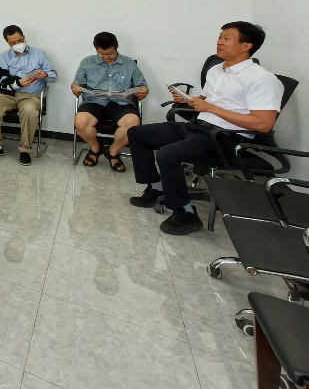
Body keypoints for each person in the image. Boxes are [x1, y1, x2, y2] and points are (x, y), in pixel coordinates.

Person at [127, 21, 283, 235]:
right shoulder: (217, 70)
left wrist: (211, 108)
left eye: (227, 38)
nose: (220, 42)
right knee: (137, 134)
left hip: (226, 137)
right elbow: (207, 100)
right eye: (220, 37)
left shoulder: (261, 79)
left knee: (167, 154)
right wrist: (188, 100)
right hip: (198, 126)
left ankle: (186, 214)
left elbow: (263, 124)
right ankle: (156, 187)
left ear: (246, 46)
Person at [71, 32, 148, 173]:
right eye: (102, 54)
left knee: (133, 124)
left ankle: (112, 151)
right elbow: (77, 82)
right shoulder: (87, 62)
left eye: (110, 54)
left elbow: (142, 85)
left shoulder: (129, 63)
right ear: (96, 50)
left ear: (116, 48)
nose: (106, 57)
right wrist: (75, 88)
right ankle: (96, 148)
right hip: (94, 101)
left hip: (121, 103)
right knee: (80, 121)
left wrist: (143, 91)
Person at [0, 25, 57, 166]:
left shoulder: (38, 54)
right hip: (9, 94)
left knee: (29, 110)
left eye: (20, 40)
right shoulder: (4, 56)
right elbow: (0, 80)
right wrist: (17, 83)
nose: (17, 44)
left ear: (24, 38)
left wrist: (45, 74)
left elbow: (54, 76)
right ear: (7, 43)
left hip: (31, 96)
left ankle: (25, 150)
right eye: (13, 42)